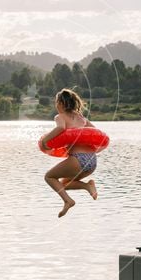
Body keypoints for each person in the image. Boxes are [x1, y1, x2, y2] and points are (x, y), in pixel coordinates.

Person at [41, 88, 99, 217]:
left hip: (78, 159)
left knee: (49, 177)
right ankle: (88, 186)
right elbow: (95, 133)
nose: (56, 105)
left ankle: (68, 201)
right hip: (92, 161)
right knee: (63, 184)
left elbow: (61, 128)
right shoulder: (82, 118)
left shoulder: (60, 117)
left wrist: (45, 141)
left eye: (56, 102)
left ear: (61, 104)